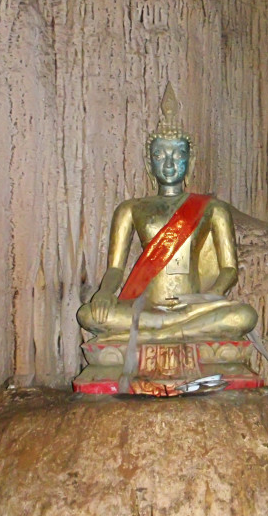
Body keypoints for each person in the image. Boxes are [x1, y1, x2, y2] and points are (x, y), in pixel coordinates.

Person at [76, 85, 257, 345]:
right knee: (89, 315)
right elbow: (115, 268)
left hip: (194, 308)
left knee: (244, 316)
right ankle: (173, 332)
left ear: (190, 161)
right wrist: (105, 292)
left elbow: (229, 269)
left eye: (178, 155)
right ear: (149, 162)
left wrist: (212, 296)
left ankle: (156, 334)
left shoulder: (213, 208)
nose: (170, 164)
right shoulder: (131, 208)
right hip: (146, 309)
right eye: (160, 155)